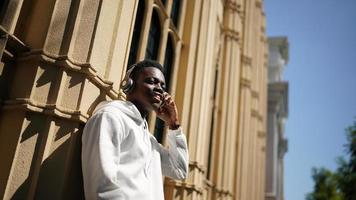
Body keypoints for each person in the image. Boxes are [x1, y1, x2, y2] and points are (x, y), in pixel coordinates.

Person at [81, 60, 189, 200]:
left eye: (163, 85)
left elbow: (180, 171)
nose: (160, 89)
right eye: (151, 81)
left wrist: (173, 124)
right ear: (129, 85)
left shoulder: (149, 140)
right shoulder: (110, 117)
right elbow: (101, 187)